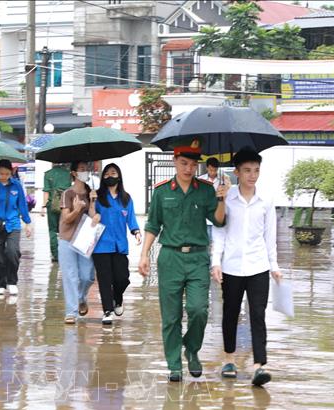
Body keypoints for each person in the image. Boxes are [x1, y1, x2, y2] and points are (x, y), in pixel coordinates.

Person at [138, 140, 228, 382]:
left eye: (192, 164)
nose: (189, 168)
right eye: (184, 163)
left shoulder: (206, 190)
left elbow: (219, 221)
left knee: (199, 309)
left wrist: (221, 199)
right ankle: (174, 364)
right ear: (175, 161)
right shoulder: (162, 191)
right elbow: (152, 225)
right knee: (171, 315)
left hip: (198, 257)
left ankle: (192, 349)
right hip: (170, 257)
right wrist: (144, 254)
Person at [210, 148, 282, 387]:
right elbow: (219, 231)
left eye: (256, 170)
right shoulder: (227, 198)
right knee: (230, 313)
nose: (252, 175)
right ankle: (229, 360)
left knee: (258, 315)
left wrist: (274, 265)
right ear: (236, 172)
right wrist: (216, 261)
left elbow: (270, 235)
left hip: (258, 266)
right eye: (247, 170)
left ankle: (259, 365)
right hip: (231, 266)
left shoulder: (266, 200)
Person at [92, 163, 141, 325]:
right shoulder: (97, 197)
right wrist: (92, 202)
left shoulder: (126, 199)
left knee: (122, 278)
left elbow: (131, 219)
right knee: (105, 279)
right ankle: (107, 310)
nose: (109, 176)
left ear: (119, 176)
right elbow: (90, 216)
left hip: (120, 245)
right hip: (100, 245)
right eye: (106, 174)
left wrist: (136, 232)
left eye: (113, 173)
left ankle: (117, 299)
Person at [0, 159, 32, 296]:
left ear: (11, 172)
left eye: (7, 174)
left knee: (12, 252)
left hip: (13, 224)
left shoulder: (16, 185)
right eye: (1, 173)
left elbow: (22, 205)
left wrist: (28, 223)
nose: (4, 176)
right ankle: (0, 284)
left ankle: (12, 281)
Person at [58, 161, 98, 324]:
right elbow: (66, 219)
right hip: (67, 239)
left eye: (86, 169)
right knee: (71, 276)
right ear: (74, 173)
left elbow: (92, 216)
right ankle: (71, 312)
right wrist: (76, 209)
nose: (85, 172)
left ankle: (81, 297)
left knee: (88, 276)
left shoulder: (91, 192)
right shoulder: (67, 193)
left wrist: (93, 202)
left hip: (84, 240)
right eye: (82, 169)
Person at [41, 163, 72, 263]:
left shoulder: (48, 174)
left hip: (52, 205)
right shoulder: (69, 174)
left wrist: (43, 206)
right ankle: (66, 253)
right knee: (65, 229)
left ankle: (55, 255)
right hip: (66, 204)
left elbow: (46, 191)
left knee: (53, 230)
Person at [199, 156, 222, 242]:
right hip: (204, 218)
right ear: (207, 167)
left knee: (217, 245)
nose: (212, 172)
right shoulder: (200, 180)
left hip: (218, 217)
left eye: (215, 170)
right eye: (211, 170)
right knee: (205, 244)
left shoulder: (223, 180)